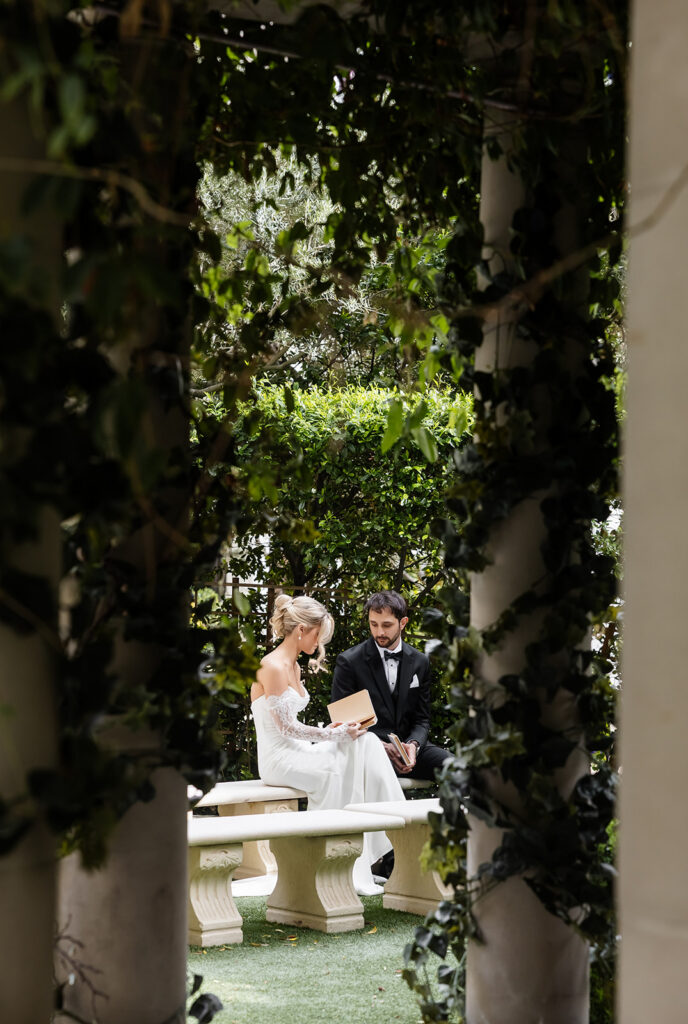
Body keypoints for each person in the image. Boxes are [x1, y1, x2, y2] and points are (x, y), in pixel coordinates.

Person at [250, 592, 404, 894]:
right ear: (301, 630)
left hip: (298, 750)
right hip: (278, 759)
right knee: (338, 768)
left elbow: (296, 728)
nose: (319, 644)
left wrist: (337, 729)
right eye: (318, 635)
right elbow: (287, 729)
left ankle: (391, 823)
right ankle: (332, 859)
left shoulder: (292, 665)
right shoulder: (274, 666)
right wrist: (332, 734)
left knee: (367, 742)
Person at [331, 590, 452, 782]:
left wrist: (413, 745)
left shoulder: (420, 662)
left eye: (387, 625)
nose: (379, 632)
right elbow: (343, 723)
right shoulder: (349, 662)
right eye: (373, 624)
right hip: (368, 752)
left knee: (458, 769)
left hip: (410, 753)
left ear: (403, 623)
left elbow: (422, 719)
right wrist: (380, 747)